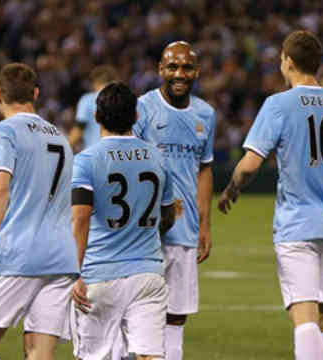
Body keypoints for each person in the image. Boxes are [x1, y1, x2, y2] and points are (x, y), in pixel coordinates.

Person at [217, 30, 323, 360]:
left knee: (303, 316)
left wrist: (232, 188)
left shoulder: (278, 105)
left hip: (297, 225)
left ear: (288, 62)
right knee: (322, 317)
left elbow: (250, 165)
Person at [0, 63, 79, 360]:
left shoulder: (3, 132)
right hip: (61, 257)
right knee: (39, 353)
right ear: (36, 94)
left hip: (19, 252)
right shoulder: (61, 138)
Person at [70, 82, 176, 360]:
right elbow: (167, 216)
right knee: (150, 355)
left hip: (100, 274)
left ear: (96, 117)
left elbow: (79, 219)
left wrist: (74, 272)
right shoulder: (158, 158)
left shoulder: (86, 161)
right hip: (148, 273)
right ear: (137, 117)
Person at [133, 41, 215, 360]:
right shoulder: (142, 109)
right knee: (140, 311)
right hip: (144, 231)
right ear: (160, 70)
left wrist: (205, 225)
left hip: (185, 230)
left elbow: (204, 169)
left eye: (186, 67)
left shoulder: (205, 114)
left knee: (177, 313)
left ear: (197, 71)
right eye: (172, 67)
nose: (179, 73)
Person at [68, 65, 119, 150]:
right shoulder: (124, 99)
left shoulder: (87, 100)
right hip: (119, 156)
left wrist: (65, 148)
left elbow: (78, 129)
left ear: (95, 82)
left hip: (94, 155)